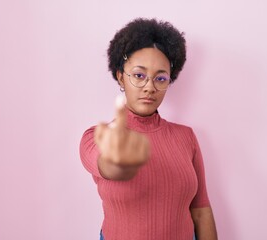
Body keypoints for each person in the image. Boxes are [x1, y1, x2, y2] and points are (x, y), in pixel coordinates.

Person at [80, 18, 218, 240]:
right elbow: (111, 167)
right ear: (120, 76)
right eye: (139, 75)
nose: (150, 87)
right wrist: (120, 159)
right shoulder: (97, 138)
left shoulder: (186, 137)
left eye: (160, 78)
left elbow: (201, 211)